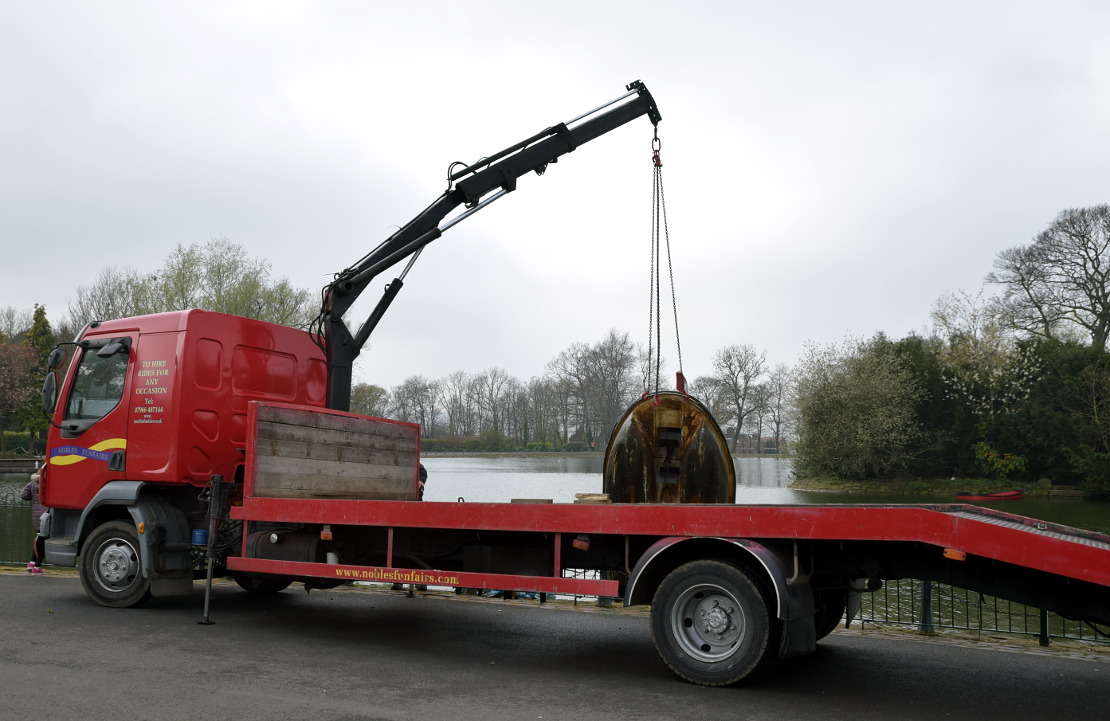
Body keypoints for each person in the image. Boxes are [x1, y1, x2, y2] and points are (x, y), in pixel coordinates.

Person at [20, 471, 46, 575]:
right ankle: (37, 567)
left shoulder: (33, 483)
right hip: (47, 514)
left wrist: (34, 500)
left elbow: (23, 495)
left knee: (39, 539)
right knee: (43, 542)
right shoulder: (48, 483)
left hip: (36, 515)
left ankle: (31, 563)